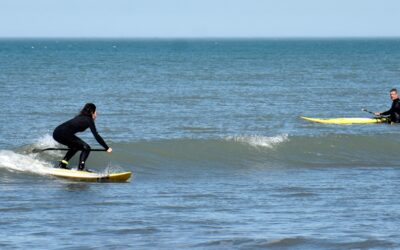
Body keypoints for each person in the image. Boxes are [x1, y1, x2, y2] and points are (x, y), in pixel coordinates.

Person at [53, 103, 112, 170]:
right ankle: (81, 168)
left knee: (75, 146)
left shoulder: (80, 117)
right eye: (96, 112)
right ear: (92, 112)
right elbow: (96, 135)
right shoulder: (89, 120)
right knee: (86, 148)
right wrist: (106, 147)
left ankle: (63, 164)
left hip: (56, 133)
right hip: (63, 133)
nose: (96, 114)